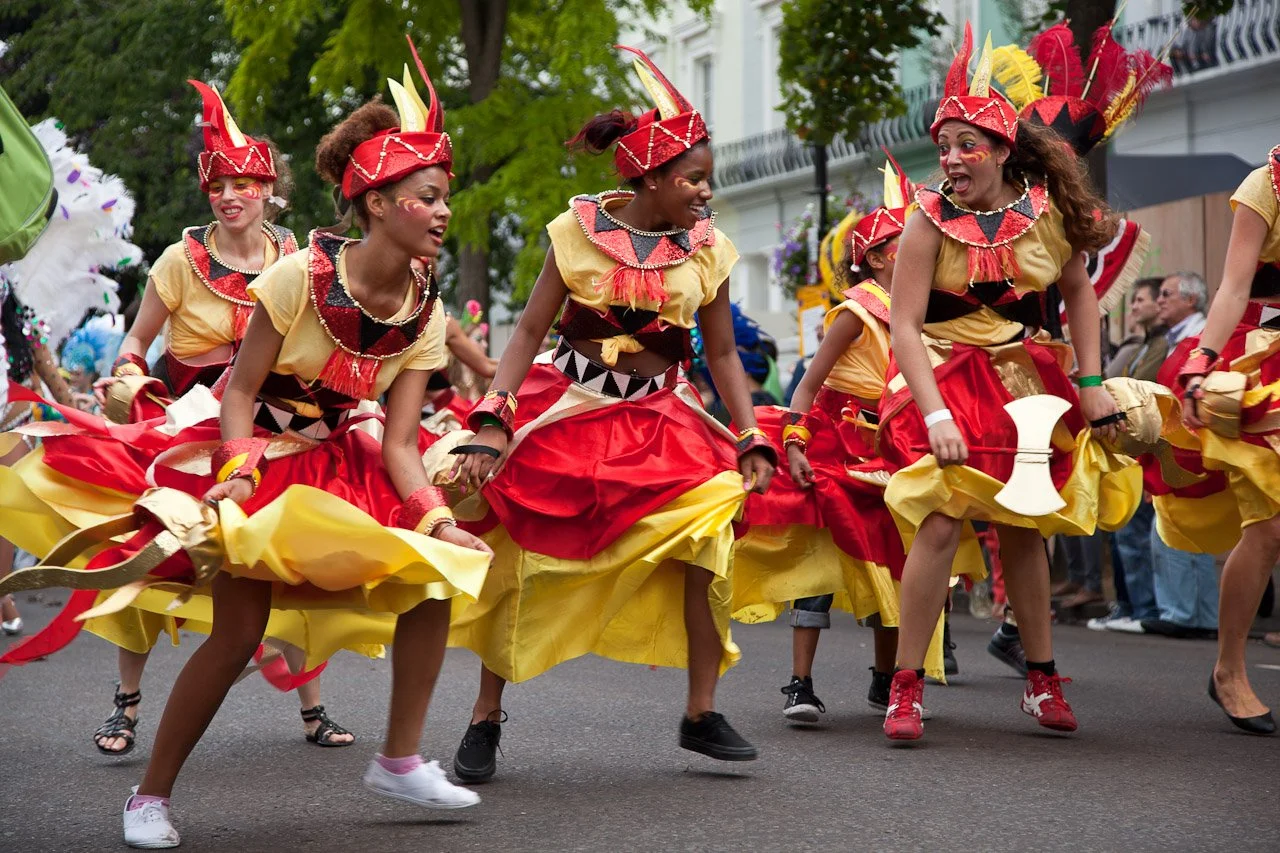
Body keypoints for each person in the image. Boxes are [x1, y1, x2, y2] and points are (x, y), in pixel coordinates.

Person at [0, 44, 496, 846]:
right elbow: (237, 391)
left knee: (435, 578)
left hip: (345, 464)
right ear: (375, 204)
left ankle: (399, 758)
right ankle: (150, 797)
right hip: (251, 454)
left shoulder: (427, 312)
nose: (443, 212)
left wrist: (439, 521)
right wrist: (234, 473)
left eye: (445, 198)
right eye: (428, 196)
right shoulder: (297, 276)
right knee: (236, 633)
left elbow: (402, 444)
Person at [445, 45, 776, 783]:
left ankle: (700, 710)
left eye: (706, 180)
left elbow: (721, 353)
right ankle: (485, 714)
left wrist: (750, 432)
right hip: (569, 404)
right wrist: (494, 417)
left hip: (662, 419)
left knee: (709, 528)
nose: (703, 192)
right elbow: (529, 330)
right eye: (692, 179)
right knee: (518, 546)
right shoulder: (577, 233)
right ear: (651, 177)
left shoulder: (709, 250)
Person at [1, 81, 359, 757]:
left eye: (242, 184)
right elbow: (136, 345)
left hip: (270, 428)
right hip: (182, 426)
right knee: (145, 558)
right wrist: (130, 373)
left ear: (268, 190)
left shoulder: (300, 262)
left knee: (285, 555)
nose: (228, 196)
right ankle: (127, 705)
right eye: (218, 185)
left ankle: (312, 704)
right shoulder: (178, 260)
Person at [877, 24, 1140, 742]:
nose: (952, 159)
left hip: (1027, 382)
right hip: (945, 379)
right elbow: (903, 326)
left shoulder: (1047, 213)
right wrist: (934, 414)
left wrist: (1090, 381)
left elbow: (1079, 293)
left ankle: (1041, 677)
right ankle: (907, 687)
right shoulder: (926, 221)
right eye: (944, 147)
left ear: (1000, 151)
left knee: (1025, 528)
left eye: (967, 145)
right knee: (937, 521)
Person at [733, 154, 978, 723]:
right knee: (820, 564)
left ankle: (886, 678)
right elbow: (805, 387)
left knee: (894, 563)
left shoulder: (932, 313)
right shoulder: (856, 311)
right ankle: (800, 683)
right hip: (838, 448)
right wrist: (794, 442)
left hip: (898, 449)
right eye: (902, 240)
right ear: (873, 257)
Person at [1164, 142, 1280, 735]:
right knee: (1268, 528)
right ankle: (1229, 669)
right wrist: (1203, 359)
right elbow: (1233, 289)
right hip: (1271, 367)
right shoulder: (1267, 184)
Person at [1093, 278, 1167, 631]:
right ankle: (1130, 606)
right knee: (1123, 529)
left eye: (1143, 299)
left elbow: (1144, 385)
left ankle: (1145, 610)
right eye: (1133, 300)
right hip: (1127, 446)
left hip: (1148, 444)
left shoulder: (1162, 343)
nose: (1135, 306)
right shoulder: (1143, 343)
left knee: (1137, 532)